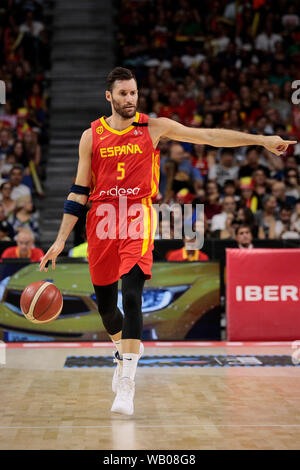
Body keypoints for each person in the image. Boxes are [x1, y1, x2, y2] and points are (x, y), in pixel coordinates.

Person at [38, 67, 296, 416]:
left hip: (137, 217)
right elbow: (79, 191)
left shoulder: (153, 127)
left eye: (134, 93)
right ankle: (123, 353)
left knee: (132, 295)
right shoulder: (91, 136)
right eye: (123, 93)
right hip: (99, 222)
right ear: (109, 97)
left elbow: (208, 136)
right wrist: (59, 241)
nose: (130, 99)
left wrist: (261, 140)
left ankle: (127, 380)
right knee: (106, 308)